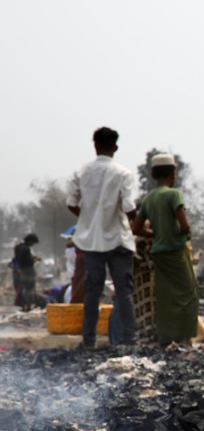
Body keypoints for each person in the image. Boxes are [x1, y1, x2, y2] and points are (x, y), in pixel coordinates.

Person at [66, 126, 137, 348]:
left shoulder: (81, 172)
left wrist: (88, 218)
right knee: (124, 292)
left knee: (92, 292)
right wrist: (137, 223)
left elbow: (71, 203)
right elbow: (129, 207)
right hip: (118, 239)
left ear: (95, 146)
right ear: (115, 147)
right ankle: (129, 341)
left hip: (91, 242)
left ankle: (89, 341)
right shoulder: (123, 174)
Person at [132, 154, 198, 346]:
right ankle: (185, 339)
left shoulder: (148, 198)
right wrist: (183, 232)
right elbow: (184, 225)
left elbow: (136, 228)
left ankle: (167, 338)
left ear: (153, 175)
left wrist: (154, 233)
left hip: (158, 254)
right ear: (173, 174)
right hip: (175, 251)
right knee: (188, 294)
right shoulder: (173, 195)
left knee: (166, 296)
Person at [14, 234, 39, 312]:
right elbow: (29, 261)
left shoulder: (17, 247)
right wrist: (34, 259)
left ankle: (23, 305)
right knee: (30, 289)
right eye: (33, 242)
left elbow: (18, 259)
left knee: (24, 288)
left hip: (22, 270)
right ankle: (28, 306)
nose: (32, 244)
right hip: (28, 270)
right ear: (30, 241)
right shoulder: (26, 249)